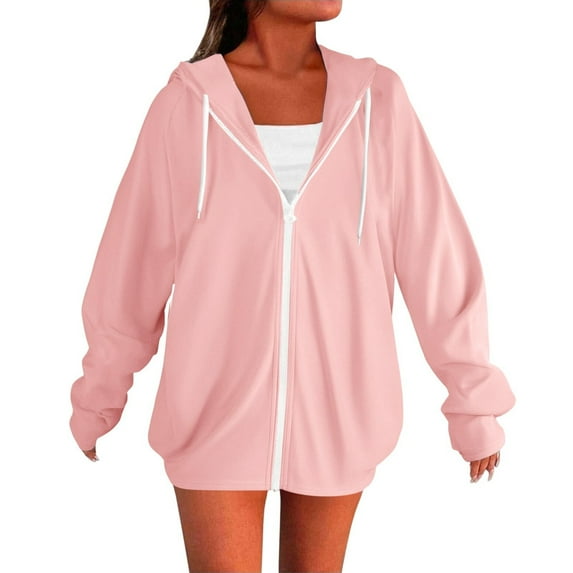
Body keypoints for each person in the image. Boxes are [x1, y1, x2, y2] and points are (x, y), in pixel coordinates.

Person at [69, 1, 517, 571]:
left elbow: (438, 259)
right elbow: (129, 269)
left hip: (341, 415)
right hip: (210, 418)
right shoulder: (184, 106)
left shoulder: (379, 101)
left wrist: (474, 404)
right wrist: (99, 395)